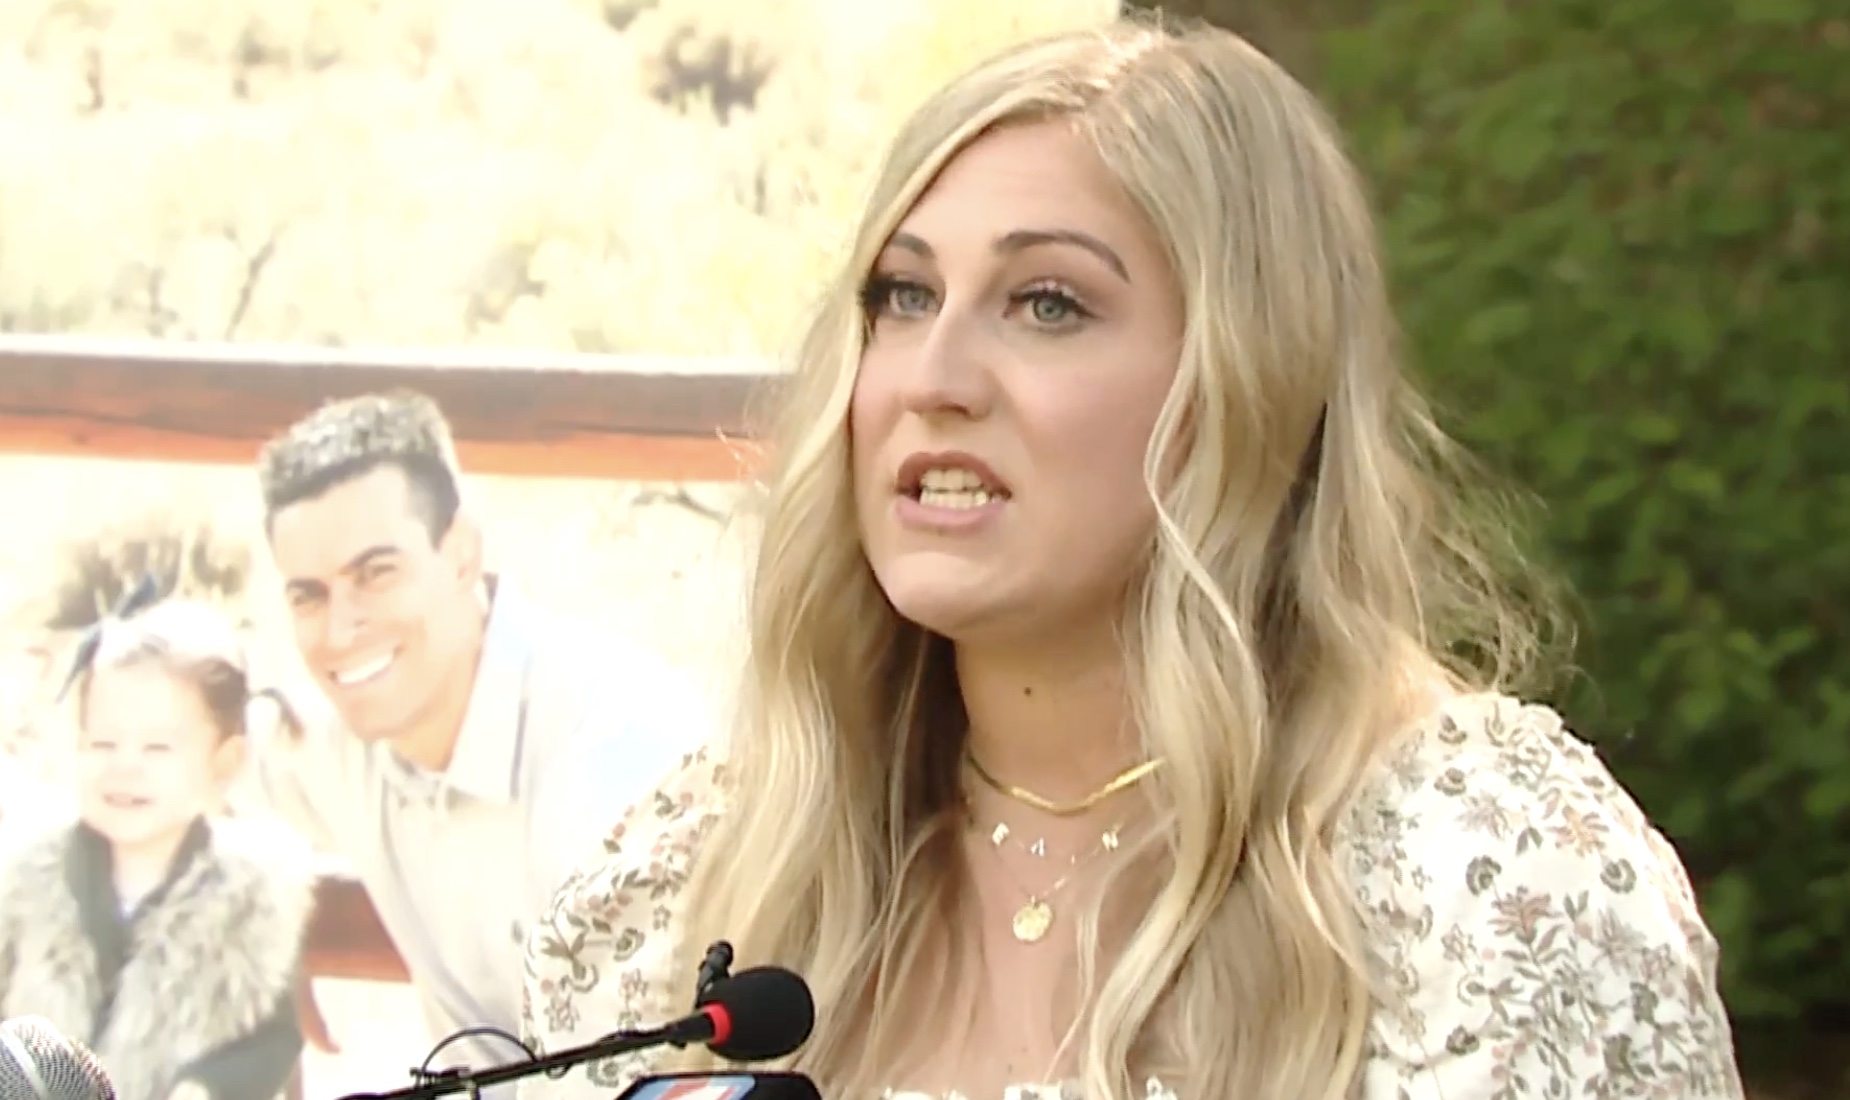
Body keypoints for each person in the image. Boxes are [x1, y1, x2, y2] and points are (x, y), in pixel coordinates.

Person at [517, 16, 1745, 1100]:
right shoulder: (699, 871)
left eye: (1047, 302)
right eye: (900, 295)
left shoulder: (1487, 888)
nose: (931, 380)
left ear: (1248, 382)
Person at [247, 391, 709, 1085]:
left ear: (460, 554)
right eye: (308, 594)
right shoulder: (343, 746)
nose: (341, 629)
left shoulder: (614, 768)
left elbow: (663, 1077)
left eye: (376, 574)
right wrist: (254, 925)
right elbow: (196, 756)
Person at [0, 597, 312, 1100]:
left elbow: (268, 1042)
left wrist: (203, 1090)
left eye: (157, 749)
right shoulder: (29, 878)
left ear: (224, 762)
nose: (125, 767)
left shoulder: (249, 904)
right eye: (102, 744)